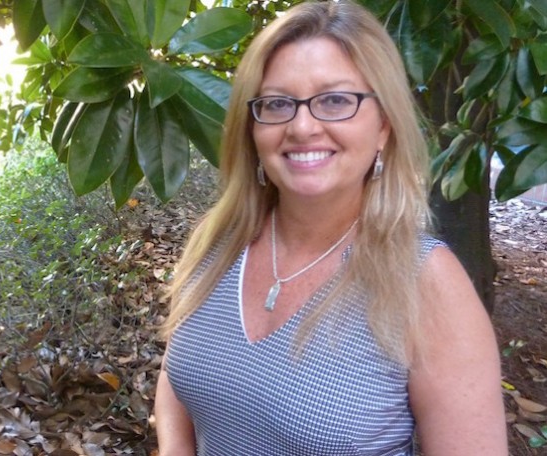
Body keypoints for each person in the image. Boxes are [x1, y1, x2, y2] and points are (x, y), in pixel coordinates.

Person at [154, 1, 507, 455]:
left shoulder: (428, 284)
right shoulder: (219, 242)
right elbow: (179, 376)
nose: (302, 126)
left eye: (336, 100)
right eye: (277, 103)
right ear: (252, 128)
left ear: (384, 125)